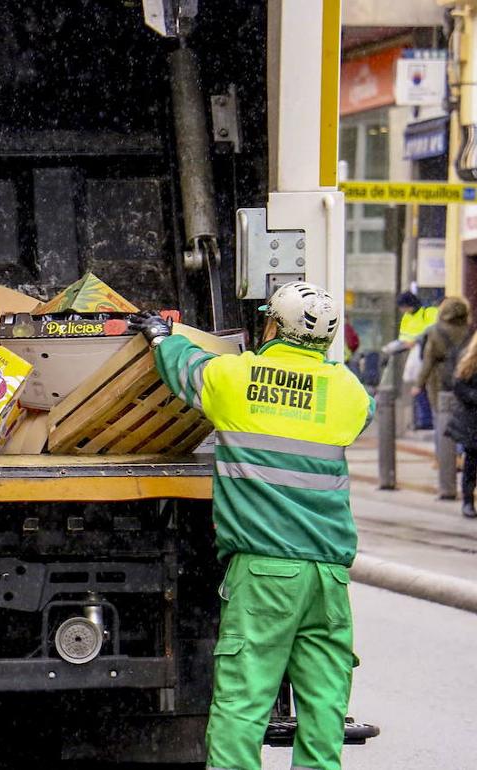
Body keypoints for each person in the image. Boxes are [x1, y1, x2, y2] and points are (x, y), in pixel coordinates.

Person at [129, 281, 374, 770]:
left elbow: (186, 370)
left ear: (271, 325)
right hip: (328, 576)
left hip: (265, 572)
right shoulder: (348, 392)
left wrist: (161, 335)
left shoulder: (238, 379)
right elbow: (356, 417)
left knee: (244, 699)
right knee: (324, 703)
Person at [416, 297, 470, 500]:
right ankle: (461, 456)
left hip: (439, 384)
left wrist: (418, 383)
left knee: (442, 423)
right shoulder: (469, 330)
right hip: (463, 381)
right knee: (463, 421)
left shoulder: (436, 331)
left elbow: (428, 359)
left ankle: (444, 460)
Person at [446, 330, 477, 519]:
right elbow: (459, 386)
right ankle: (467, 501)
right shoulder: (469, 361)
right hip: (473, 422)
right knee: (472, 463)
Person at [397, 291, 438, 430]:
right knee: (418, 386)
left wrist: (416, 340)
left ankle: (429, 419)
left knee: (426, 385)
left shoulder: (429, 312)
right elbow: (403, 336)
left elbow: (433, 331)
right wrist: (405, 343)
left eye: (404, 307)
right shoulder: (407, 317)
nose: (403, 311)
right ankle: (424, 419)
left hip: (430, 354)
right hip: (416, 355)